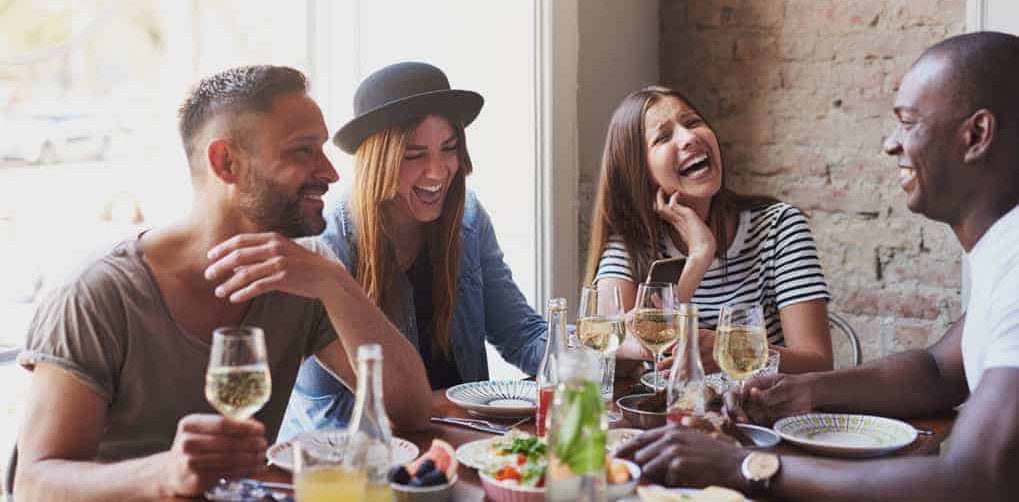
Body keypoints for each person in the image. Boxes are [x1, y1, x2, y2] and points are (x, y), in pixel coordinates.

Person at [618, 31, 1019, 500]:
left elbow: (973, 479)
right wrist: (807, 392)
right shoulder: (1004, 253)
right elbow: (937, 370)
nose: (891, 144)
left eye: (908, 123)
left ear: (976, 136)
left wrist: (745, 466)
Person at [11, 66, 431, 501]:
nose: (330, 172)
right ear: (226, 163)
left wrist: (336, 283)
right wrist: (164, 475)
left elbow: (411, 410)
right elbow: (33, 484)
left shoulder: (301, 277)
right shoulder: (98, 293)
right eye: (303, 151)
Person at [280, 61, 547, 437]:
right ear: (378, 161)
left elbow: (523, 334)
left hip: (465, 449)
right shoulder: (326, 246)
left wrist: (601, 353)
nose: (438, 171)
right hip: (366, 470)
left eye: (449, 148)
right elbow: (328, 413)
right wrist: (441, 404)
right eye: (414, 154)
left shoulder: (468, 220)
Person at [587, 86, 833, 374]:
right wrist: (699, 257)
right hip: (667, 415)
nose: (689, 138)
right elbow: (601, 353)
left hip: (760, 415)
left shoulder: (778, 227)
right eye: (663, 137)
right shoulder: (631, 242)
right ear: (639, 171)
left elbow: (818, 363)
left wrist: (727, 350)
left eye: (692, 122)